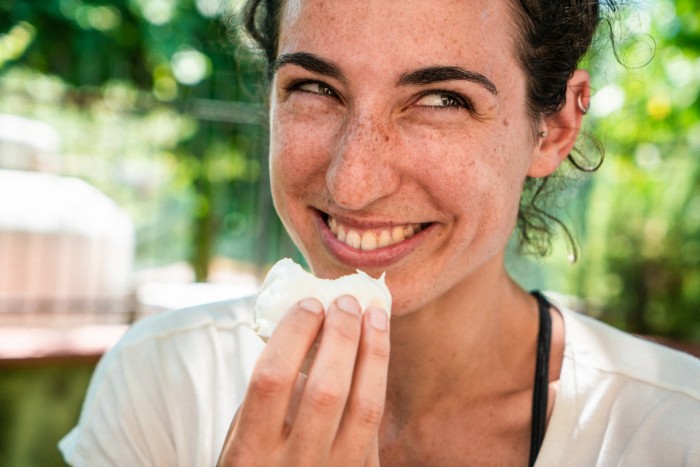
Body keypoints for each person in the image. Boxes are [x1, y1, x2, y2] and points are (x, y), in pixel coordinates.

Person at [60, 0, 700, 465]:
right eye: (314, 87)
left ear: (555, 127)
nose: (352, 184)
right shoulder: (164, 386)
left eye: (442, 99)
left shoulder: (672, 432)